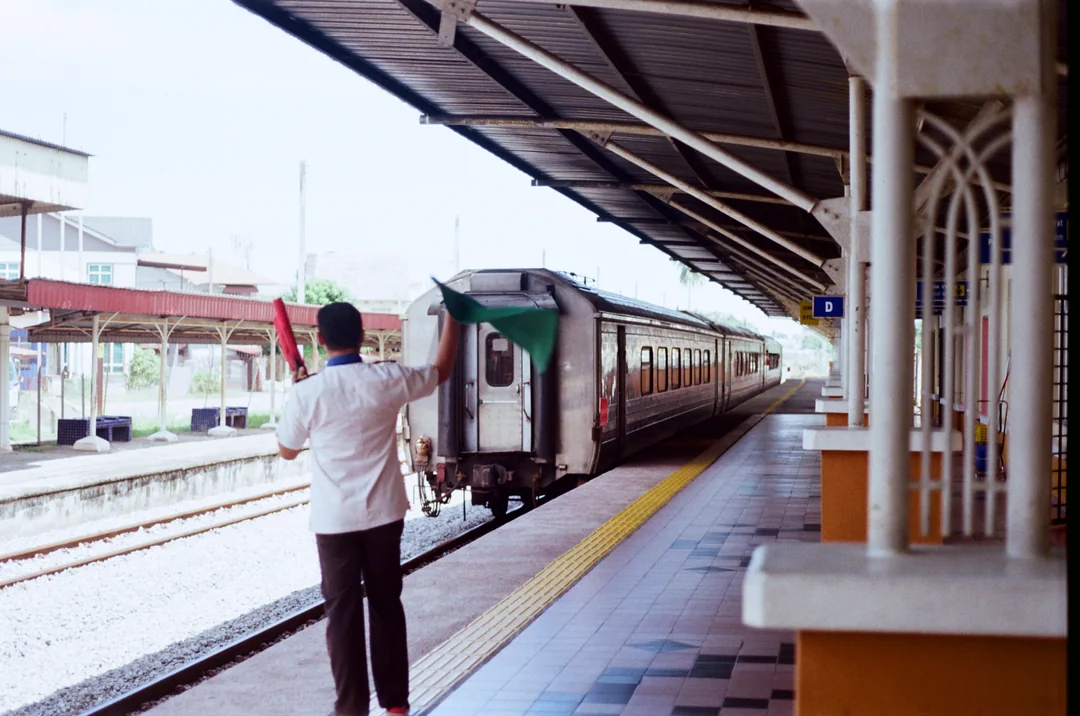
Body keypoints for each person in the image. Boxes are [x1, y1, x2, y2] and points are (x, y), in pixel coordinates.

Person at [277, 302, 459, 716]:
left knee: (341, 613)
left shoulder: (307, 392)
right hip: (383, 514)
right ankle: (395, 704)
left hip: (334, 521)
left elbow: (287, 450)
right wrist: (455, 320)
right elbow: (440, 370)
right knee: (385, 604)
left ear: (319, 340)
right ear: (362, 336)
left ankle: (351, 707)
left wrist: (300, 390)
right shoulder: (387, 378)